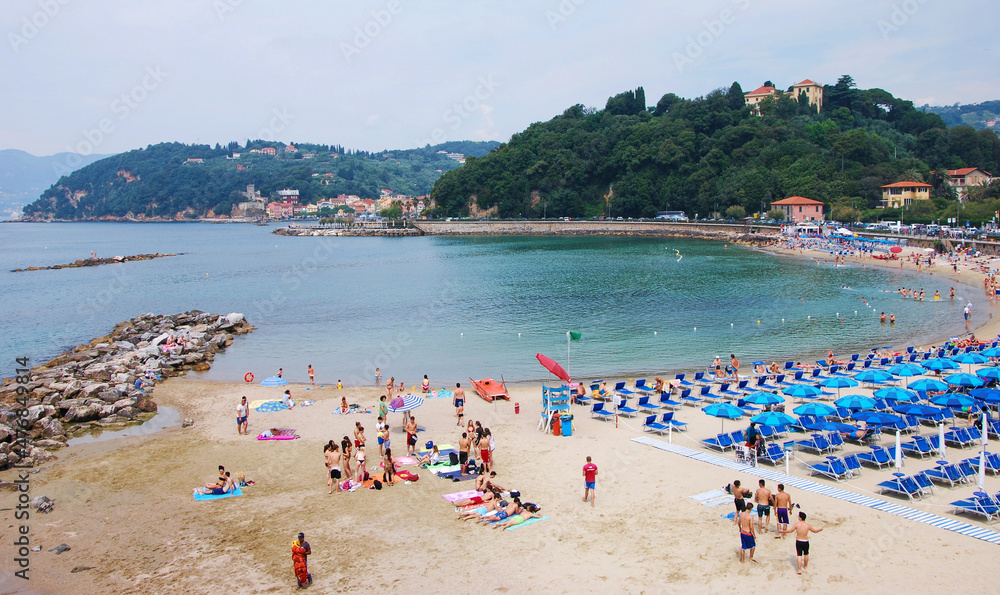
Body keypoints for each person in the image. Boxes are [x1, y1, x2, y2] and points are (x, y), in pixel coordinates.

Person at [735, 499, 756, 564]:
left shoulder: (741, 514)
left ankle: (742, 560)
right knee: (753, 546)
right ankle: (750, 558)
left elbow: (738, 522)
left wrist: (740, 528)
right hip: (748, 533)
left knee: (743, 547)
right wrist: (754, 535)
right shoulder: (750, 517)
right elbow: (751, 527)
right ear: (751, 509)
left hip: (742, 532)